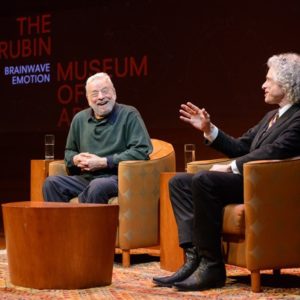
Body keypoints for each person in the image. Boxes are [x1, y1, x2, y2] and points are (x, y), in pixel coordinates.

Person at [153, 52, 300, 291]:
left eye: (269, 80)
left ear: (287, 83)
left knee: (204, 180)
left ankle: (212, 267)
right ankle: (194, 259)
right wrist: (209, 130)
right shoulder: (270, 116)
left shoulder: (298, 118)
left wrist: (232, 166)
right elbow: (242, 145)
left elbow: (275, 151)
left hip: (266, 187)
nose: (263, 85)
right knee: (179, 183)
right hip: (248, 182)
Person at [43, 72, 153, 203]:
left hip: (116, 178)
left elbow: (142, 150)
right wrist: (76, 159)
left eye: (105, 91)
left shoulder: (129, 114)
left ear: (114, 93)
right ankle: (62, 224)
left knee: (97, 186)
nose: (100, 97)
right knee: (51, 183)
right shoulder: (79, 119)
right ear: (88, 99)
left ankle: (84, 222)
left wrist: (104, 162)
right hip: (86, 179)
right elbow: (69, 152)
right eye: (94, 94)